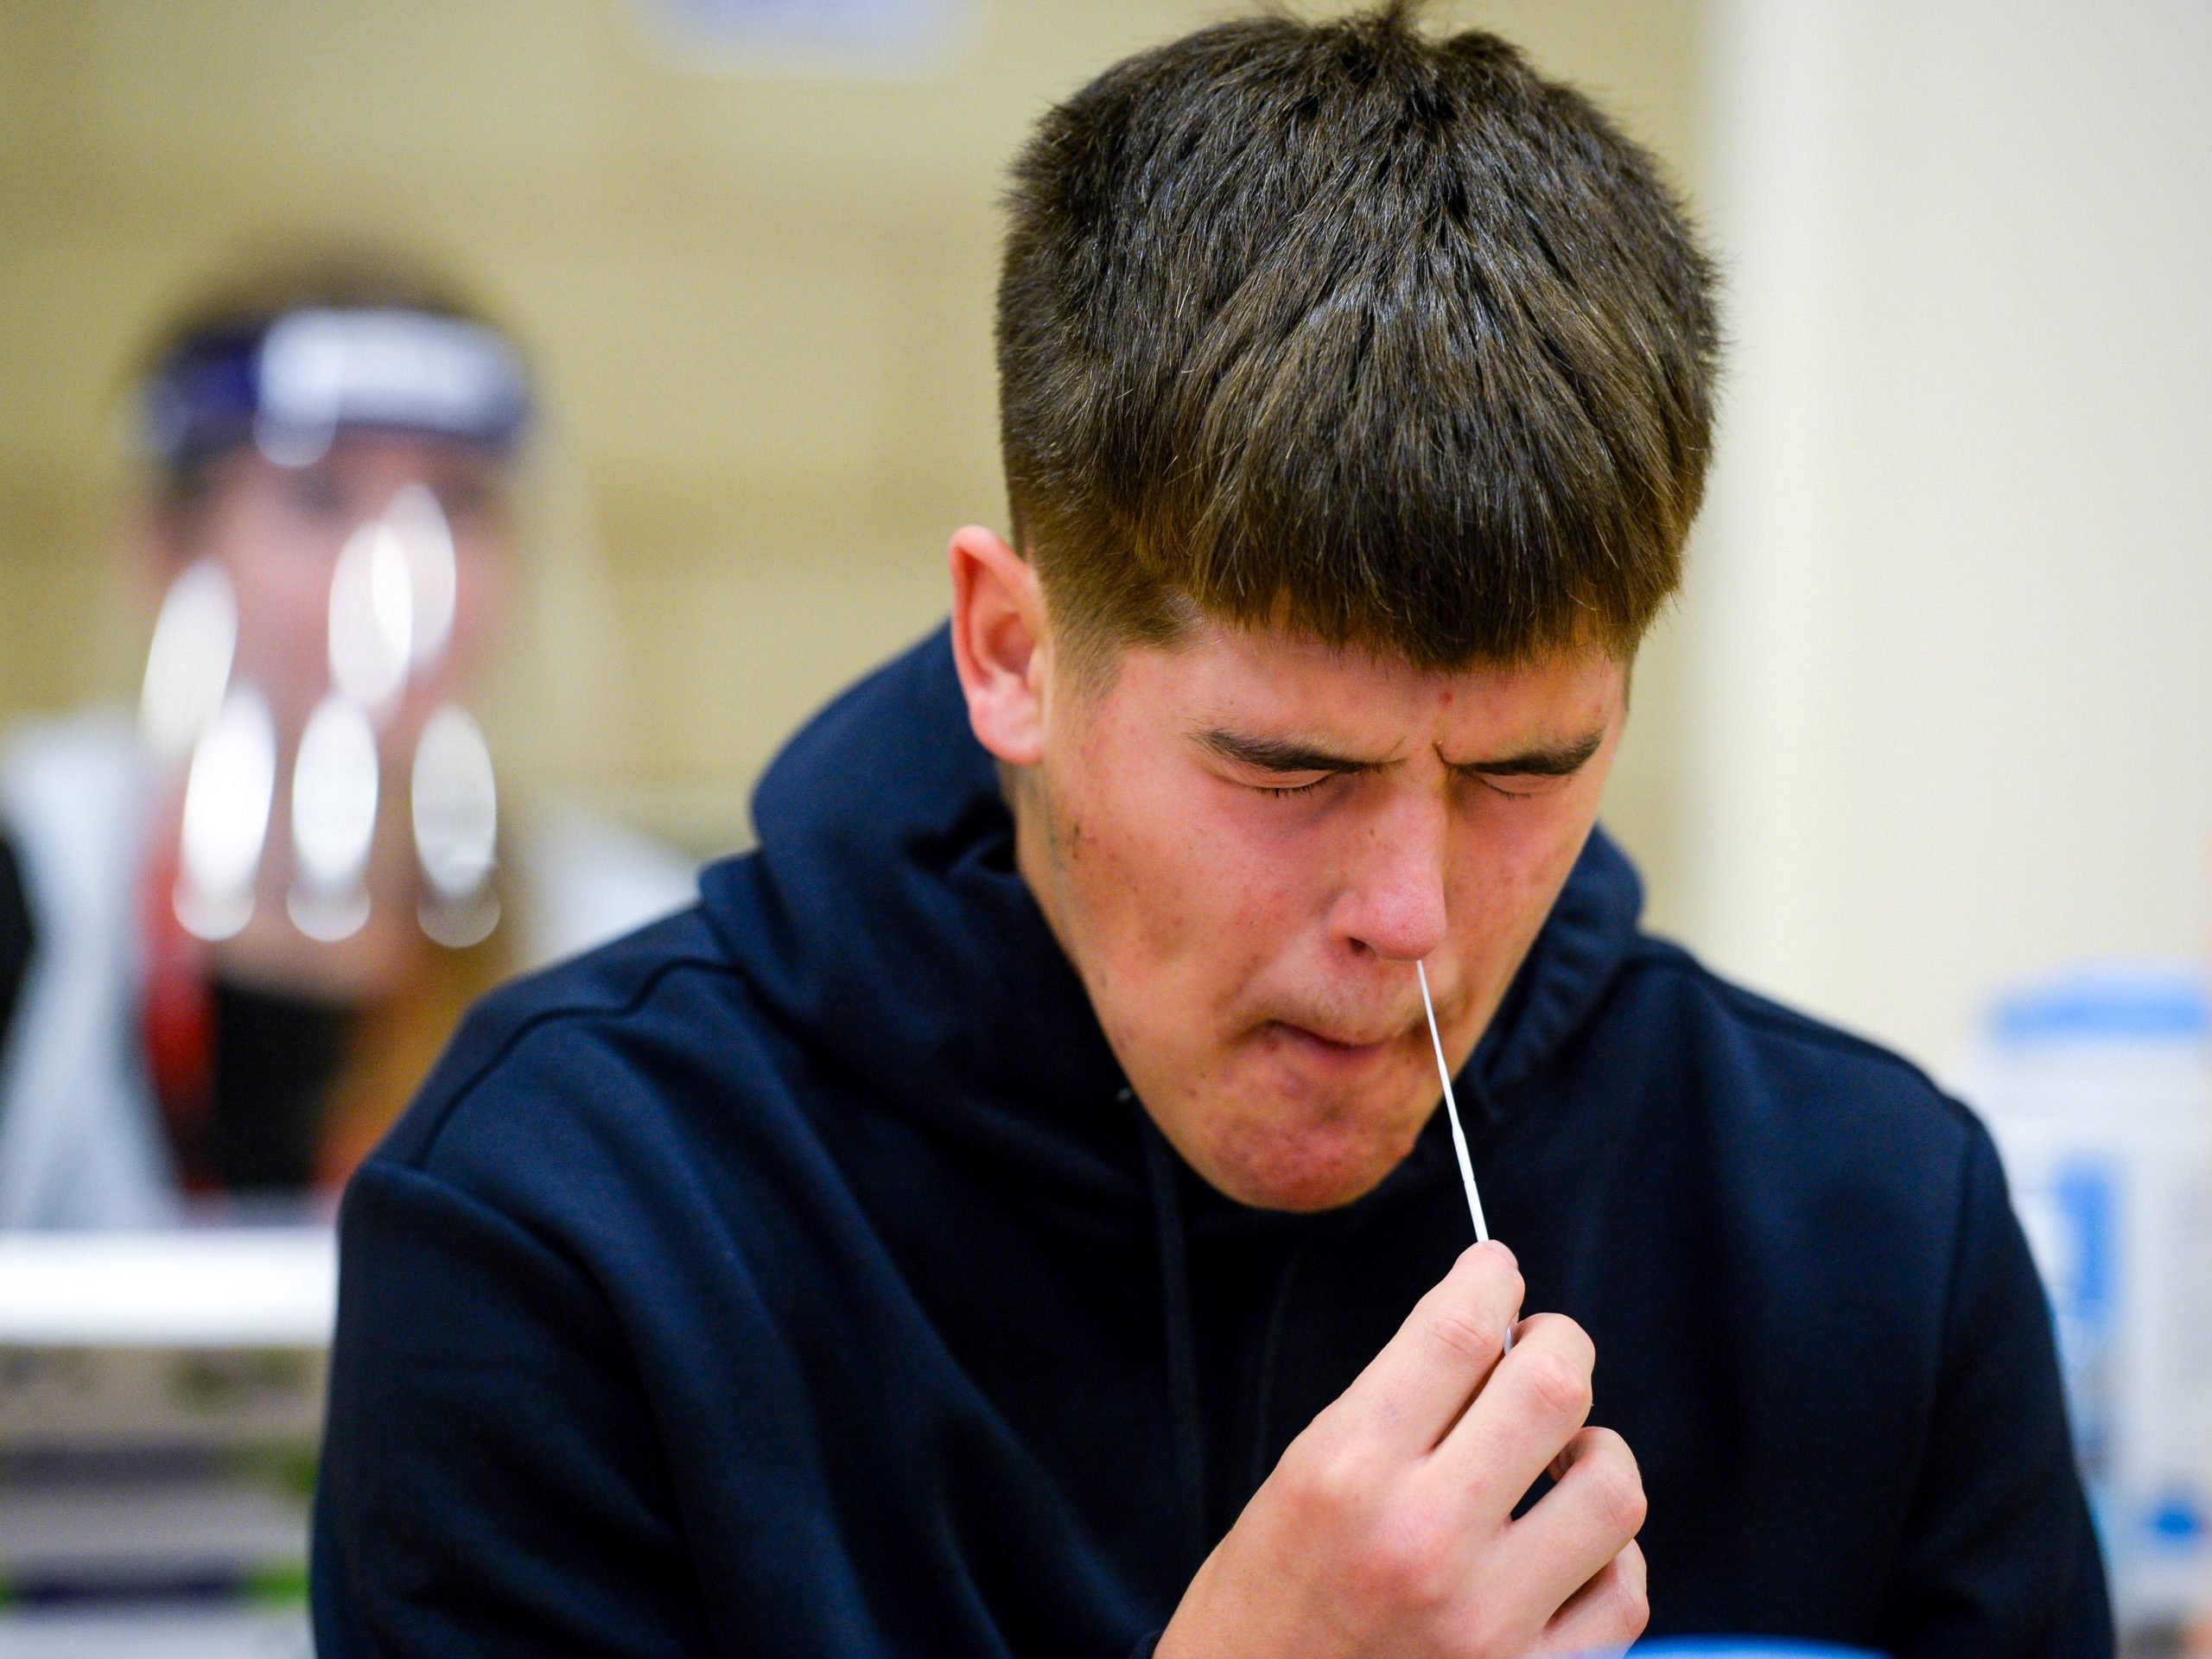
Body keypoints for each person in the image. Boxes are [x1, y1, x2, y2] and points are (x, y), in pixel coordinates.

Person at [312, 8, 2110, 1656]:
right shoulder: (567, 1220)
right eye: (1285, 772)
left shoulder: (1875, 1230)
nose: (1407, 916)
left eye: (1521, 772)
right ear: (1011, 655)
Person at [0, 249, 696, 1228]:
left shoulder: (624, 948)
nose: (401, 574)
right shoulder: (37, 879)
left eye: (457, 504)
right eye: (319, 500)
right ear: (171, 549)